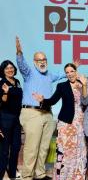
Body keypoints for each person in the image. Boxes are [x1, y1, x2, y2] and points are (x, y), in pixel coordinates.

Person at [16, 37, 65, 180]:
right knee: (32, 147)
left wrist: (73, 68)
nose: (42, 61)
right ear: (34, 62)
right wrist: (19, 53)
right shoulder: (29, 72)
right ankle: (27, 176)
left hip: (47, 114)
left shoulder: (50, 74)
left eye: (44, 59)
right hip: (32, 113)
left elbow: (63, 74)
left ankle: (40, 173)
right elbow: (22, 65)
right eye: (39, 60)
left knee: (44, 147)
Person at [33, 63, 87, 180]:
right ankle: (62, 177)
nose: (69, 74)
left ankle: (77, 177)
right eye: (67, 72)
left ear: (76, 71)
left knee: (79, 151)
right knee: (66, 151)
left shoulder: (83, 83)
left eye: (71, 71)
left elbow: (86, 100)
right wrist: (42, 100)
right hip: (66, 123)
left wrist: (84, 85)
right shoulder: (62, 86)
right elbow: (52, 100)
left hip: (80, 123)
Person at [0, 60, 23, 179]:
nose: (10, 70)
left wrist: (10, 91)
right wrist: (6, 93)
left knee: (16, 146)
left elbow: (19, 95)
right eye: (7, 68)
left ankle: (12, 173)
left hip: (16, 119)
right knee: (4, 150)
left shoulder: (17, 81)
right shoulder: (2, 83)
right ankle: (2, 174)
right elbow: (3, 101)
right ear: (3, 71)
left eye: (11, 68)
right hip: (5, 119)